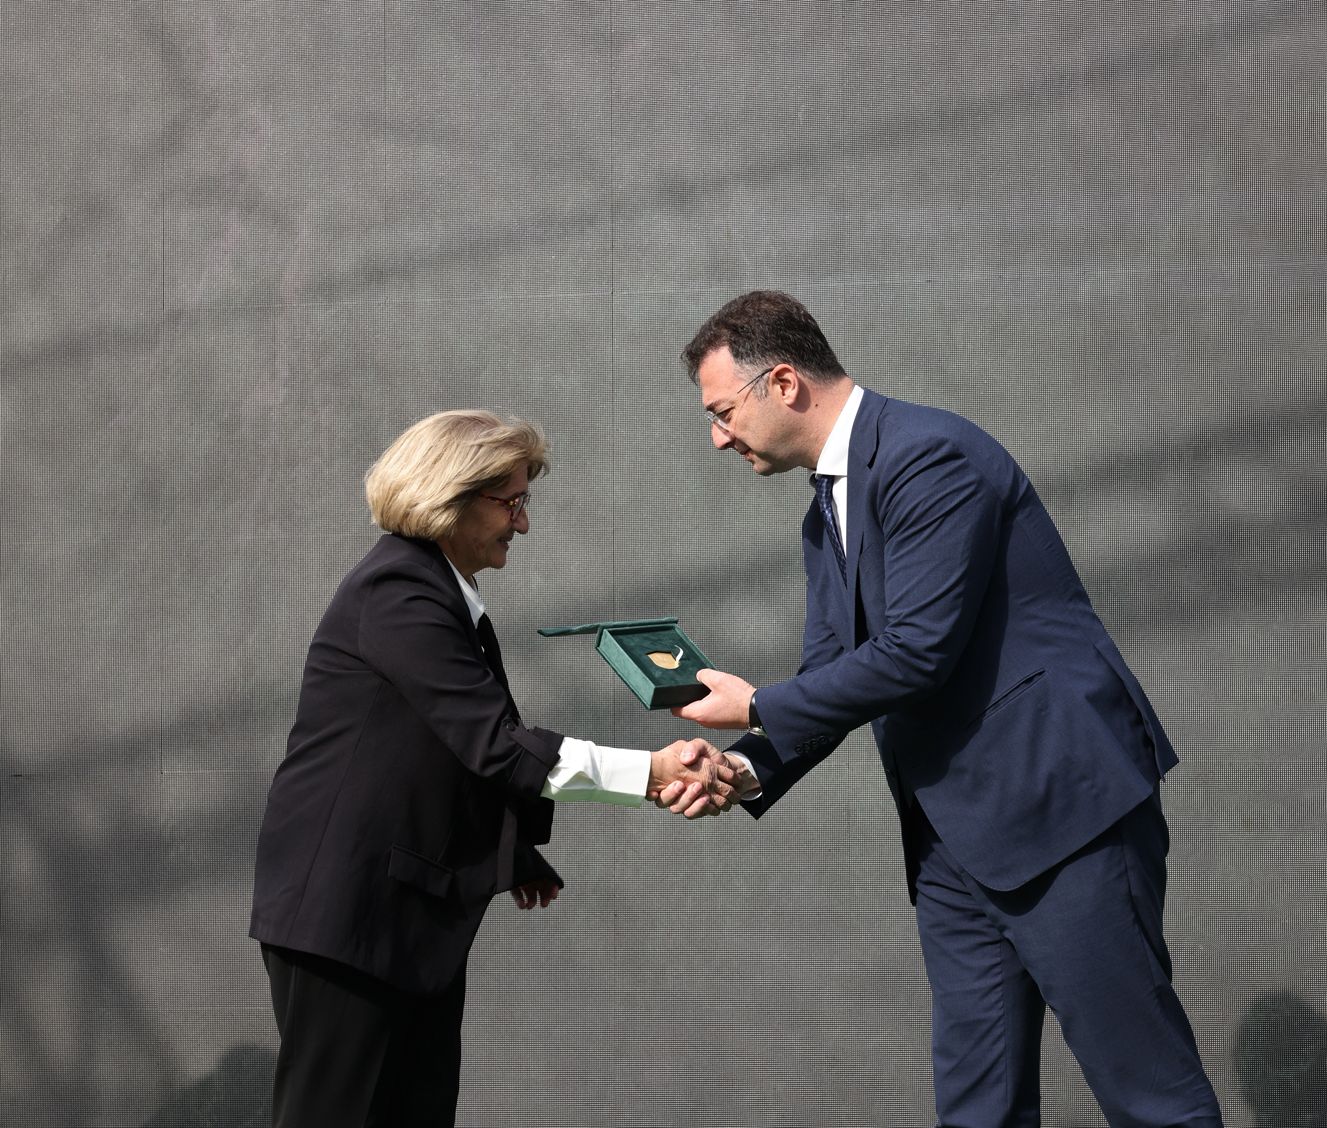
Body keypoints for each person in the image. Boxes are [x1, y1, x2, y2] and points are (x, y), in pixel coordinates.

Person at [664, 292, 1224, 1128]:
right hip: (952, 849)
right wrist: (744, 768)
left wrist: (758, 703)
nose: (718, 437)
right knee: (976, 1112)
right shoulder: (824, 516)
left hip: (1063, 816)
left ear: (782, 382)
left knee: (1151, 1100)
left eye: (721, 412)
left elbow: (917, 653)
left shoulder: (929, 455)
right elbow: (831, 676)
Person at [249, 409, 735, 1128]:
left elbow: (438, 753)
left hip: (395, 918)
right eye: (512, 502)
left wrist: (513, 853)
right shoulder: (399, 591)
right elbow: (495, 744)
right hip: (350, 919)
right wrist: (655, 772)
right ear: (449, 495)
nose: (524, 524)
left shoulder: (432, 592)